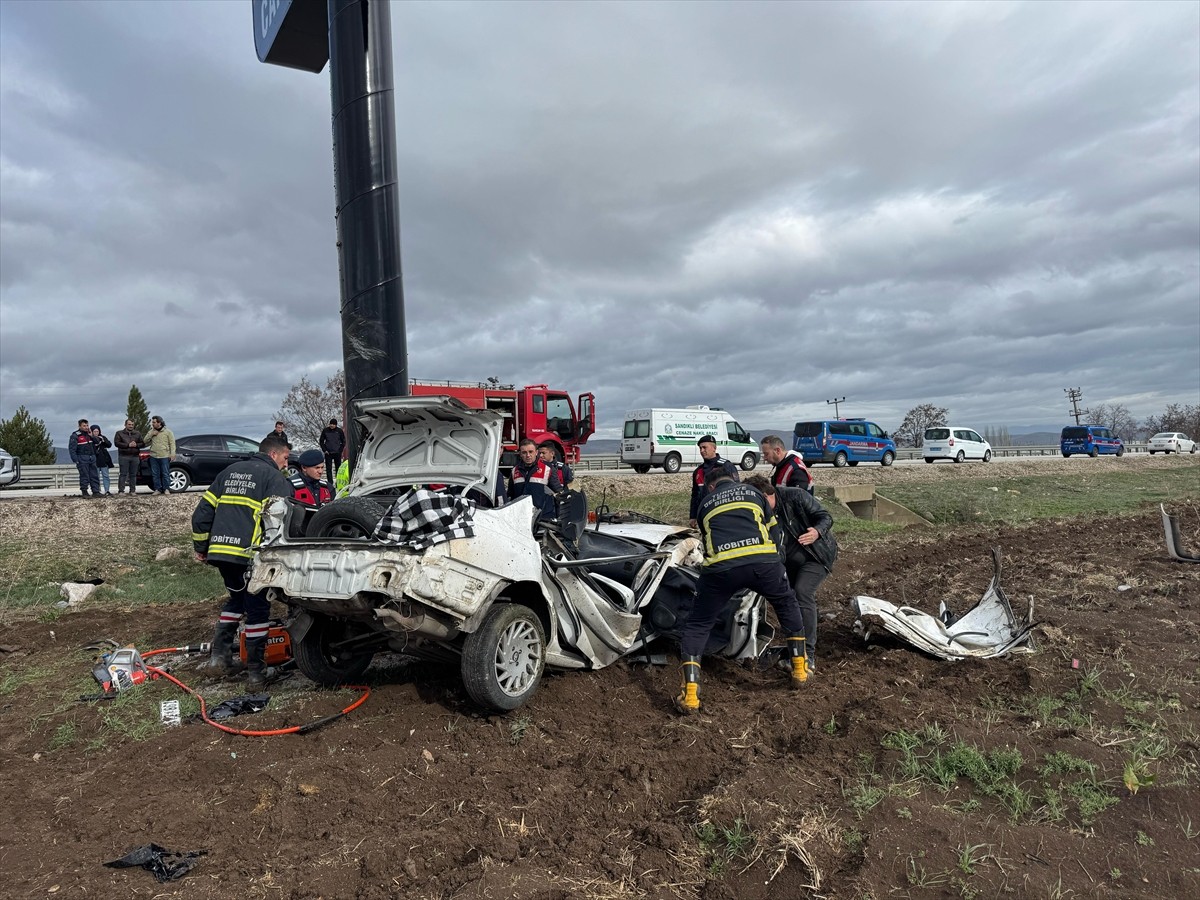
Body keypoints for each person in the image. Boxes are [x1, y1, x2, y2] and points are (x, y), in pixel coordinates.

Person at [675, 470, 809, 714]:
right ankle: (800, 669)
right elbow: (775, 531)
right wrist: (776, 563)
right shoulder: (753, 493)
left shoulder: (705, 503)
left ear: (712, 487)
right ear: (734, 480)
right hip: (763, 565)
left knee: (698, 624)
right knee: (787, 604)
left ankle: (691, 694)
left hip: (721, 570)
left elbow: (706, 541)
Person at [192, 436, 294, 688]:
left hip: (221, 554)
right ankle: (257, 673)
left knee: (236, 599)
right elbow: (278, 522)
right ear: (273, 455)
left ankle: (220, 659)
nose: (286, 464)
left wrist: (202, 547)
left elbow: (201, 514)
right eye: (285, 458)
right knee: (258, 608)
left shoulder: (228, 472)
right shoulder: (273, 479)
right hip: (250, 555)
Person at [745, 474, 837, 678]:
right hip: (787, 562)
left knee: (803, 592)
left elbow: (825, 517)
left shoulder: (795, 496)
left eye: (756, 500)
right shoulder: (757, 513)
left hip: (816, 555)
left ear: (767, 494)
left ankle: (808, 655)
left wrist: (817, 532)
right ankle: (794, 646)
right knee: (789, 600)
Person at [688, 435, 739, 528]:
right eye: (700, 448)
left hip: (724, 514)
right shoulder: (698, 471)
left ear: (714, 448)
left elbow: (736, 490)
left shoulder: (726, 466)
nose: (702, 451)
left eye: (704, 447)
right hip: (705, 514)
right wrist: (693, 516)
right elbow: (695, 495)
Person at [508, 438, 562, 520]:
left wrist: (559, 516)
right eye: (524, 452)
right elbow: (510, 495)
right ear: (520, 454)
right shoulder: (515, 470)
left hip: (543, 518)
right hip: (521, 517)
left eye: (530, 452)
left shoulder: (547, 468)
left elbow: (558, 493)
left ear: (536, 452)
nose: (528, 455)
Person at [68, 419, 101, 498]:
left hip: (92, 458)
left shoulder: (90, 435)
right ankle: (84, 491)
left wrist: (92, 436)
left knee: (94, 475)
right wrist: (76, 460)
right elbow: (72, 449)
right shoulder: (75, 435)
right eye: (84, 426)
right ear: (79, 426)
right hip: (82, 458)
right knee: (84, 476)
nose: (86, 427)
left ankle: (96, 491)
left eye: (87, 425)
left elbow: (97, 442)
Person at [143, 415, 176, 494]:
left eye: (154, 422)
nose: (152, 424)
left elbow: (172, 443)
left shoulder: (168, 432)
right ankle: (157, 489)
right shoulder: (151, 431)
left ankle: (166, 489)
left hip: (164, 456)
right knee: (155, 474)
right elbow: (144, 441)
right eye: (152, 422)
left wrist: (172, 454)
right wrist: (152, 434)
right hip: (153, 456)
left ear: (159, 423)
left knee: (165, 473)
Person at [114, 418, 143, 495]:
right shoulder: (119, 433)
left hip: (135, 456)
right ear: (125, 425)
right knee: (123, 474)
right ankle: (121, 491)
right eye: (129, 424)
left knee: (133, 474)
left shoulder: (137, 434)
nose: (131, 426)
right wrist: (128, 445)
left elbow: (142, 443)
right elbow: (117, 443)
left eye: (132, 425)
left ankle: (132, 490)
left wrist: (136, 445)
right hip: (124, 456)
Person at [319, 418, 346, 492]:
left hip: (337, 453)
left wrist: (340, 450)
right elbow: (321, 441)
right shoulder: (325, 430)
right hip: (328, 453)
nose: (331, 425)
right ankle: (330, 483)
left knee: (338, 468)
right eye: (330, 424)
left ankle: (338, 483)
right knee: (328, 469)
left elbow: (343, 441)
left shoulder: (339, 431)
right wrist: (325, 450)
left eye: (333, 424)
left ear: (336, 425)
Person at [91, 425, 114, 496]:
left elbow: (109, 445)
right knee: (96, 476)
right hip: (95, 460)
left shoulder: (103, 437)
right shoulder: (90, 439)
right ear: (92, 432)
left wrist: (103, 441)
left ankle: (107, 490)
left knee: (106, 476)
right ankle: (97, 490)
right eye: (94, 431)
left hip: (104, 460)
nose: (96, 433)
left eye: (97, 431)